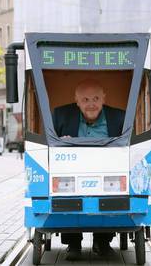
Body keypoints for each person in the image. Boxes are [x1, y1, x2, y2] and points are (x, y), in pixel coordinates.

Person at [52, 79, 124, 261]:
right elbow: (49, 143)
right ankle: (73, 244)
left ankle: (102, 242)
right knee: (67, 196)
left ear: (103, 99)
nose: (91, 104)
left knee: (110, 198)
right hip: (71, 169)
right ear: (76, 101)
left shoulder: (120, 117)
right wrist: (61, 141)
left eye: (96, 99)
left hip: (108, 169)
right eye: (85, 100)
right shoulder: (60, 115)